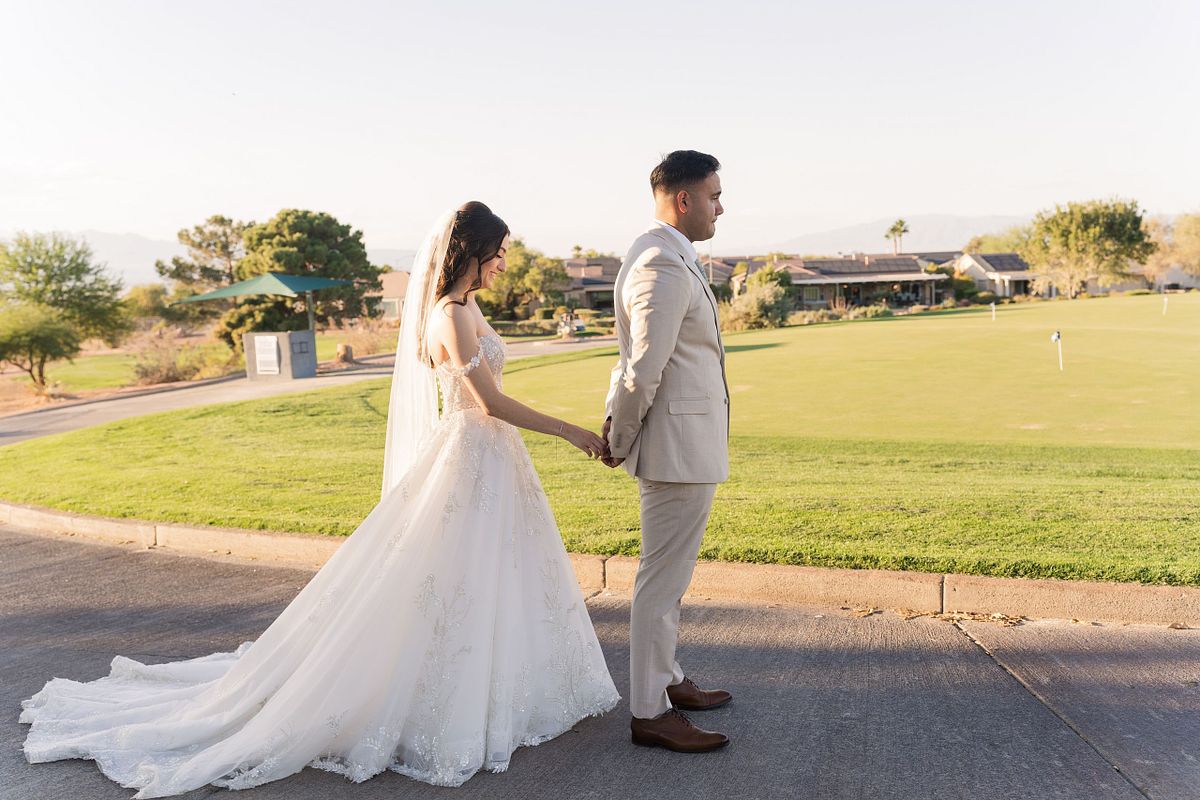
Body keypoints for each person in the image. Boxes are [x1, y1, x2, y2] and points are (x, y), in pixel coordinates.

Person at [19, 201, 620, 797]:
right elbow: (488, 402)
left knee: (490, 575)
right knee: (447, 580)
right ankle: (435, 701)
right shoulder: (449, 315)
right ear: (474, 251)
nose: (505, 263)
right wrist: (569, 431)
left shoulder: (469, 306)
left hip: (493, 458)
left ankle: (501, 690)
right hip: (469, 453)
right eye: (500, 252)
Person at [602, 151, 733, 752]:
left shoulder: (665, 253)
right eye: (714, 195)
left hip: (686, 444)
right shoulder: (660, 263)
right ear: (684, 199)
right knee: (661, 582)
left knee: (671, 577)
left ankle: (669, 679)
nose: (720, 207)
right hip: (676, 450)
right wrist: (620, 437)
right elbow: (641, 369)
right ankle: (650, 712)